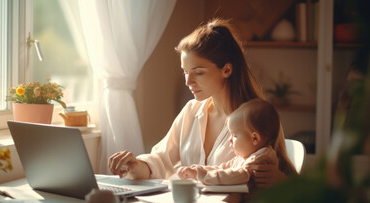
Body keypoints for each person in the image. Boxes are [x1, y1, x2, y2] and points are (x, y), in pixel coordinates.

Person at [108, 18, 295, 187]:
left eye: (198, 72)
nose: (188, 82)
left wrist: (279, 180)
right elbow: (161, 158)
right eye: (185, 72)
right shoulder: (191, 110)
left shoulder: (257, 116)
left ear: (227, 70)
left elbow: (289, 181)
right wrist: (135, 165)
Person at [177, 98, 280, 188]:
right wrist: (199, 170)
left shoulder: (260, 159)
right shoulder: (244, 158)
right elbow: (222, 168)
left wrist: (202, 176)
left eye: (235, 136)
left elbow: (239, 175)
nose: (229, 140)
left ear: (254, 138)